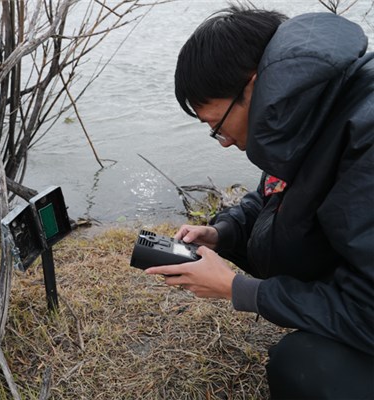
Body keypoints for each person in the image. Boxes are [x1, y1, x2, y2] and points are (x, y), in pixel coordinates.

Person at [145, 5, 374, 399]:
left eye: (217, 126)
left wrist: (239, 289)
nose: (225, 141)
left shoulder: (364, 138)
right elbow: (277, 195)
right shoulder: (310, 109)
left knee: (303, 367)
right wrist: (223, 232)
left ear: (251, 87)